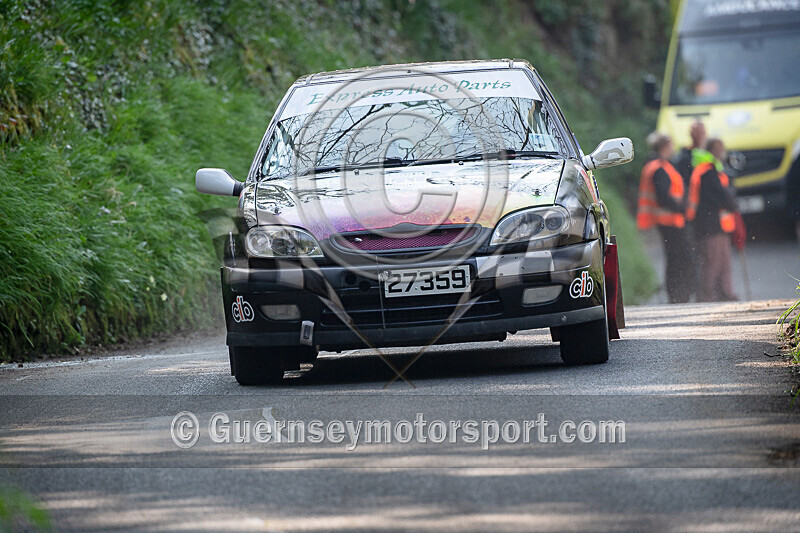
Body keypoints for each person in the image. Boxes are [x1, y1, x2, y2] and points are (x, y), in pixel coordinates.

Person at [637, 132, 693, 303]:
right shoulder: (658, 168)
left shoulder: (659, 165)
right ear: (665, 146)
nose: (673, 149)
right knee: (677, 259)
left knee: (676, 258)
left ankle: (678, 294)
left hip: (670, 220)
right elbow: (664, 197)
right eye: (671, 145)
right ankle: (677, 295)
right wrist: (682, 208)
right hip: (669, 221)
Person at [686, 138, 738, 302]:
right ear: (710, 150)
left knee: (722, 262)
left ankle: (724, 293)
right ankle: (707, 296)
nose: (721, 152)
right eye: (717, 148)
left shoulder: (709, 170)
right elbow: (719, 196)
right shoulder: (708, 172)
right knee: (713, 263)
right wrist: (732, 203)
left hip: (716, 226)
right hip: (710, 226)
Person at [675, 121, 707, 188]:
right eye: (697, 133)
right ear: (691, 134)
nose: (700, 136)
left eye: (702, 133)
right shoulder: (684, 157)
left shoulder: (709, 155)